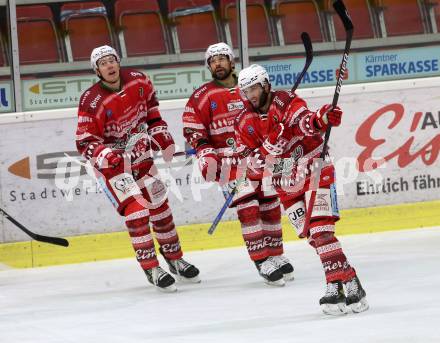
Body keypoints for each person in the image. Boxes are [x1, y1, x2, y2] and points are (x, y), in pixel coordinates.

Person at [235, 64, 369, 315]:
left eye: (253, 88)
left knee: (321, 232)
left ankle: (333, 286)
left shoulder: (286, 101)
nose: (250, 95)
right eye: (245, 91)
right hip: (286, 184)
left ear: (265, 84)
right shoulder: (243, 122)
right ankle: (349, 281)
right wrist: (266, 152)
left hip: (315, 169)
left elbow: (306, 121)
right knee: (314, 238)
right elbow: (247, 163)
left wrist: (323, 118)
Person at [75, 45, 200, 292]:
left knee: (160, 208)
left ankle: (174, 259)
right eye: (103, 63)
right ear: (97, 70)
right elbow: (84, 141)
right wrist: (108, 156)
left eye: (112, 60)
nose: (109, 66)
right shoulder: (91, 101)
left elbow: (152, 113)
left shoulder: (139, 81)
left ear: (118, 62)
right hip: (112, 168)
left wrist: (160, 133)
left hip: (142, 158)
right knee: (137, 210)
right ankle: (151, 267)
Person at [182, 43, 293, 286]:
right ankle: (261, 259)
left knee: (270, 203)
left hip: (259, 155)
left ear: (232, 62)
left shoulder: (248, 87)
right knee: (249, 207)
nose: (218, 64)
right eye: (213, 61)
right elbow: (193, 130)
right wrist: (205, 154)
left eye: (222, 59)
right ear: (208, 66)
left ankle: (276, 252)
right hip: (228, 163)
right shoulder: (201, 97)